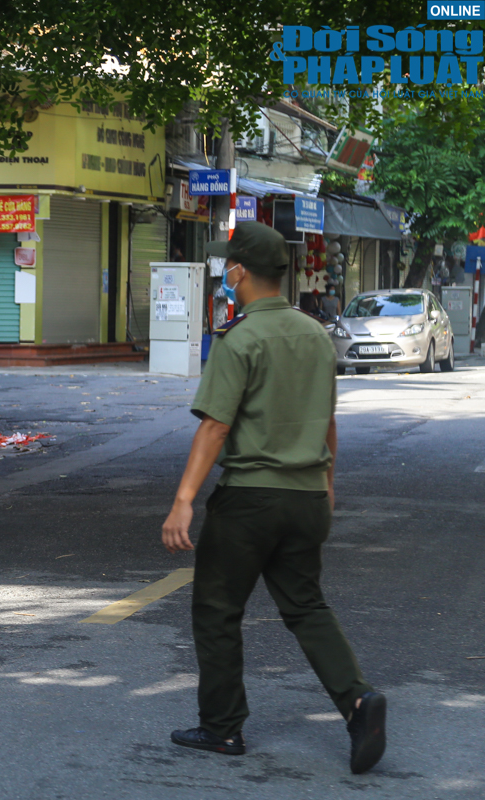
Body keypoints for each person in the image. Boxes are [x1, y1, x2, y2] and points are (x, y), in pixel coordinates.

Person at [160, 222, 386, 774]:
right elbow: (327, 421)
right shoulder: (314, 334)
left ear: (239, 272)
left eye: (226, 267)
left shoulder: (240, 340)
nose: (224, 275)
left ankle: (222, 728)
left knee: (216, 611)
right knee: (306, 605)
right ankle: (357, 700)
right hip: (307, 495)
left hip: (251, 500)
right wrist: (327, 483)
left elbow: (215, 427)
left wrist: (184, 499)